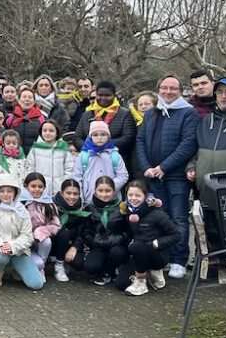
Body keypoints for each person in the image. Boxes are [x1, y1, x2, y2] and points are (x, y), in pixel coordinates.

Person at [135, 74, 198, 280]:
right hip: (153, 176)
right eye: (164, 88)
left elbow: (188, 144)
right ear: (159, 90)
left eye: (173, 88)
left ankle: (179, 259)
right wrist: (146, 167)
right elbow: (141, 141)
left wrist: (164, 167)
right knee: (160, 218)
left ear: (180, 91)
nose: (168, 92)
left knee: (178, 217)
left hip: (176, 176)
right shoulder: (151, 113)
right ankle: (164, 256)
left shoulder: (188, 113)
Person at [116, 179, 181, 296]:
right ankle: (150, 273)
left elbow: (176, 234)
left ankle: (142, 281)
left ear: (145, 196)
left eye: (138, 195)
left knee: (137, 246)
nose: (133, 198)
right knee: (121, 284)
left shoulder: (157, 214)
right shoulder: (129, 212)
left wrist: (157, 243)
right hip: (138, 254)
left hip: (157, 254)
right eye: (130, 195)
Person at [0, 173, 44, 290]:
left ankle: (17, 270)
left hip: (18, 250)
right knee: (1, 258)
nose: (5, 194)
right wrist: (1, 244)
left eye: (9, 191)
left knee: (37, 284)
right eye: (2, 191)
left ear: (15, 192)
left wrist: (12, 246)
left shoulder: (22, 211)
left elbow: (27, 236)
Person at [73, 81, 137, 176]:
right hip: (90, 164)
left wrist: (103, 146)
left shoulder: (125, 114)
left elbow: (128, 138)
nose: (103, 98)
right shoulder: (86, 115)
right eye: (100, 95)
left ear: (114, 96)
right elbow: (77, 138)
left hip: (115, 165)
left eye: (107, 95)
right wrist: (91, 147)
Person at [78, 175, 129, 286]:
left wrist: (116, 239)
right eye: (100, 190)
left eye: (107, 191)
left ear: (114, 191)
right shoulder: (89, 208)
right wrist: (94, 241)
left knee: (118, 253)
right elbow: (85, 231)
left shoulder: (122, 208)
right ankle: (105, 268)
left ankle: (108, 271)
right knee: (90, 267)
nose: (104, 194)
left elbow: (128, 231)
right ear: (95, 191)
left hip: (116, 245)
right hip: (98, 245)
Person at [73, 121, 128, 202]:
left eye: (103, 134)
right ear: (90, 137)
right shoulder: (83, 156)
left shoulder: (114, 155)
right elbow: (77, 177)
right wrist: (80, 198)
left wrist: (109, 188)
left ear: (108, 136)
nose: (99, 138)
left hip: (111, 200)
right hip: (89, 199)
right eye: (95, 135)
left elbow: (123, 175)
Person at [21, 172, 60, 278]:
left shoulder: (49, 204)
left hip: (39, 241)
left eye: (40, 187)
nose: (37, 189)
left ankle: (41, 269)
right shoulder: (19, 203)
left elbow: (56, 225)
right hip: (23, 242)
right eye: (33, 186)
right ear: (26, 187)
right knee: (33, 263)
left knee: (46, 243)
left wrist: (41, 230)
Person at [51, 179, 91, 282]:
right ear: (61, 193)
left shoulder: (81, 209)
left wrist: (75, 247)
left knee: (79, 264)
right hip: (53, 242)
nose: (72, 197)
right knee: (63, 233)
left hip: (71, 243)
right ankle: (58, 265)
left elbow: (83, 232)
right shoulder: (52, 206)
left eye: (75, 194)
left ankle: (65, 261)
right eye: (68, 193)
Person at [26, 119, 74, 193]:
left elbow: (69, 169)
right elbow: (30, 168)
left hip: (59, 189)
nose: (47, 133)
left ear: (57, 133)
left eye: (51, 131)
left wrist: (64, 184)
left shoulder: (63, 149)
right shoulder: (35, 149)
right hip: (40, 189)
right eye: (44, 131)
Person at [4, 87, 46, 153]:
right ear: (19, 100)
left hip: (35, 155)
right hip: (15, 155)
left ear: (34, 101)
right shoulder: (10, 117)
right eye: (24, 97)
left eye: (30, 97)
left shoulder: (42, 118)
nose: (27, 99)